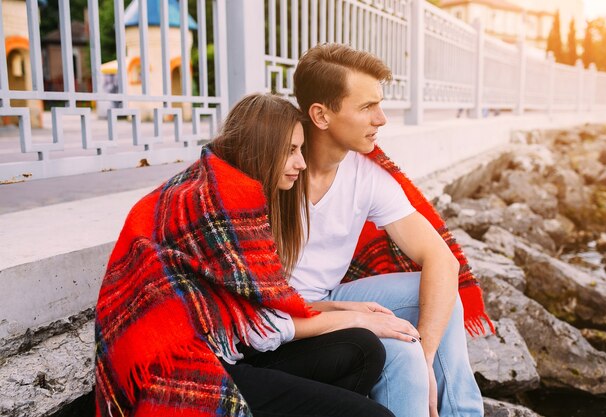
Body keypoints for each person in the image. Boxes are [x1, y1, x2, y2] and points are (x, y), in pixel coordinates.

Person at [94, 93, 395, 417]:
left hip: (226, 348)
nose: (302, 163)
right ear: (262, 149)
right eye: (292, 151)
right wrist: (355, 318)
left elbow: (248, 307)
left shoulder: (227, 186)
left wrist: (337, 307)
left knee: (363, 350)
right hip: (186, 371)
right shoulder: (212, 204)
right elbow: (259, 327)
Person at [290, 43, 495, 417]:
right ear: (320, 115)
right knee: (399, 349)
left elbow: (441, 260)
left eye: (379, 104)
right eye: (367, 107)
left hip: (330, 293)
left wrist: (428, 359)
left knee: (439, 291)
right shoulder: (277, 171)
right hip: (281, 316)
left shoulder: (368, 176)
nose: (381, 119)